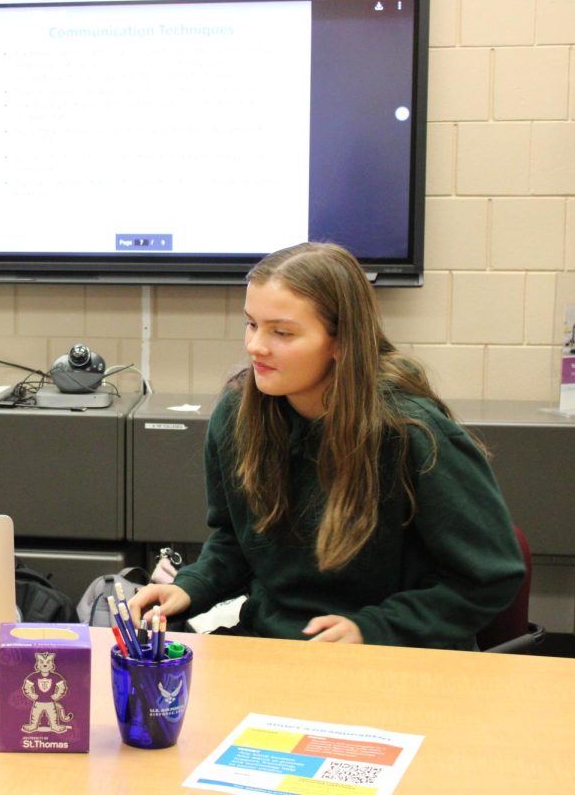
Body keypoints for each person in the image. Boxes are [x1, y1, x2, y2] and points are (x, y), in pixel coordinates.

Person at [128, 242, 524, 649]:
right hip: (275, 645)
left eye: (281, 332)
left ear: (341, 342)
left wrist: (374, 629)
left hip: (392, 659)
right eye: (251, 324)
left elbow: (490, 576)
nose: (255, 346)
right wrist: (193, 585)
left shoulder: (413, 434)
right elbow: (236, 539)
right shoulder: (238, 414)